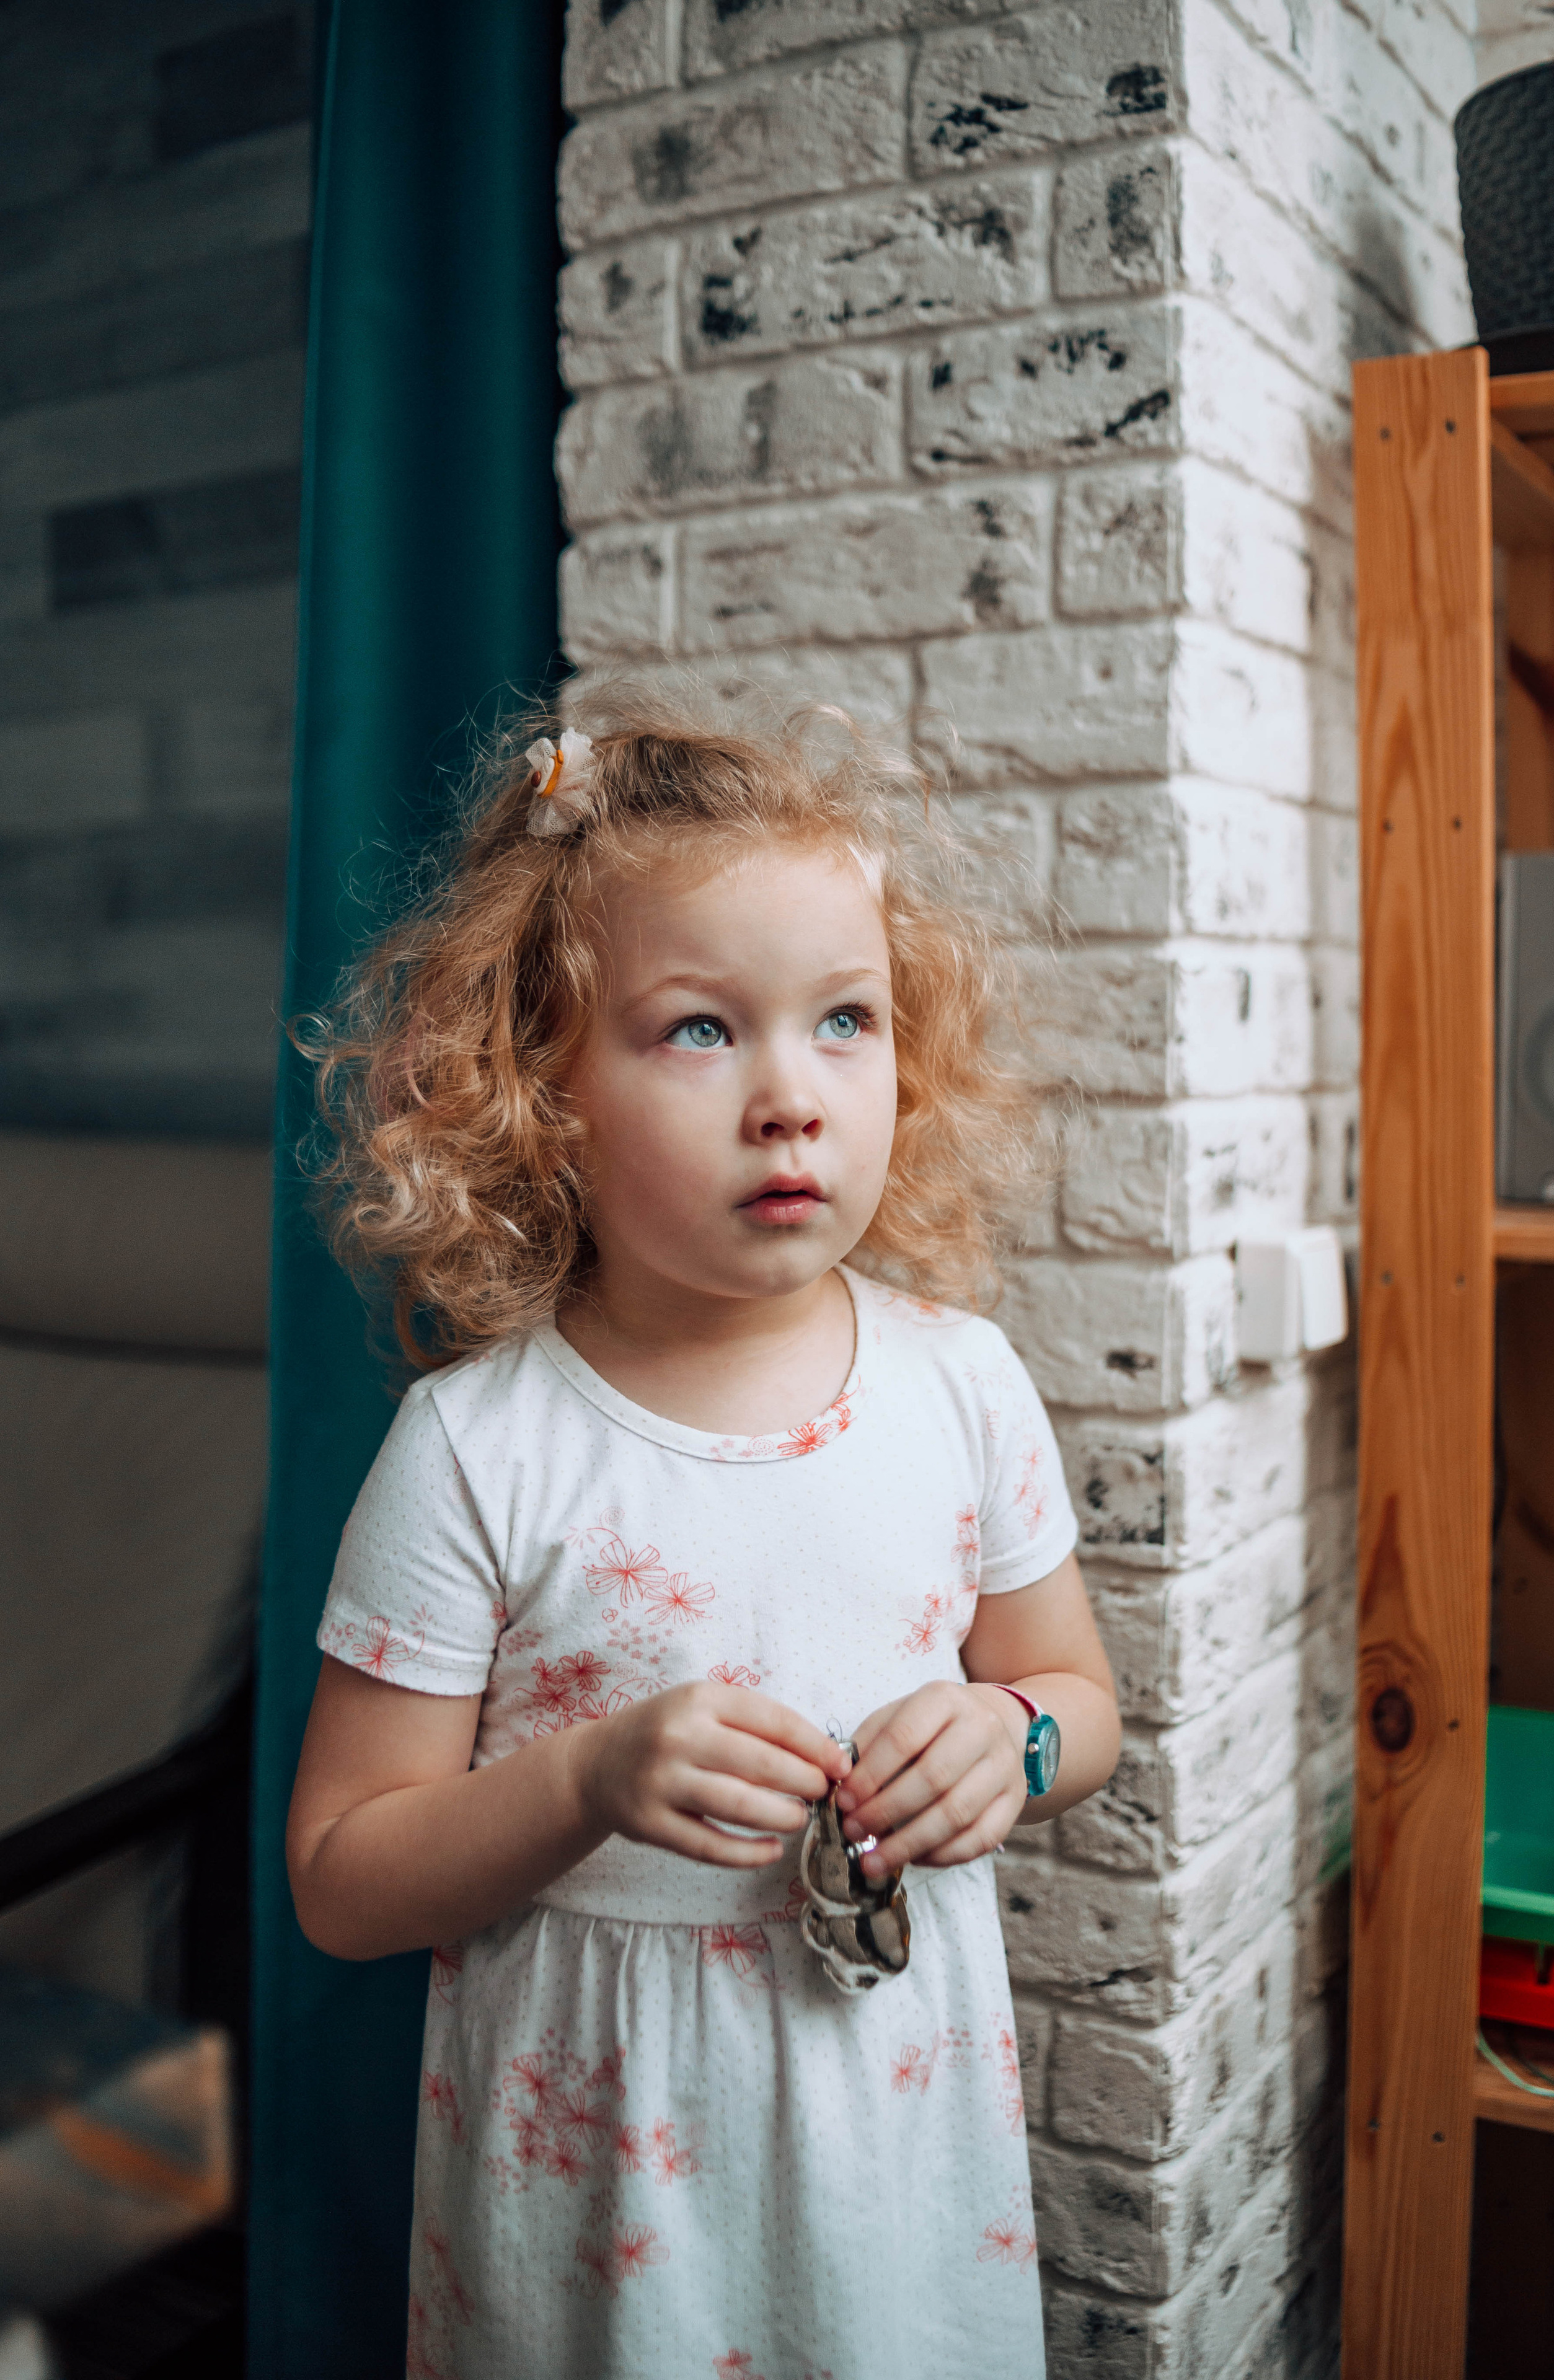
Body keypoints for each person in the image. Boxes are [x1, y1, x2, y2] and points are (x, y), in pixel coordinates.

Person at [285, 682, 1122, 2379]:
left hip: (895, 2150)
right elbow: (339, 1881)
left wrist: (1011, 1744)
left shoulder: (961, 1388)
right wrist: (585, 1782)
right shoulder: (477, 1452)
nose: (793, 1098)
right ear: (540, 1090)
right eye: (698, 1030)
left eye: (846, 1021)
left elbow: (1077, 1703)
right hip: (596, 2203)